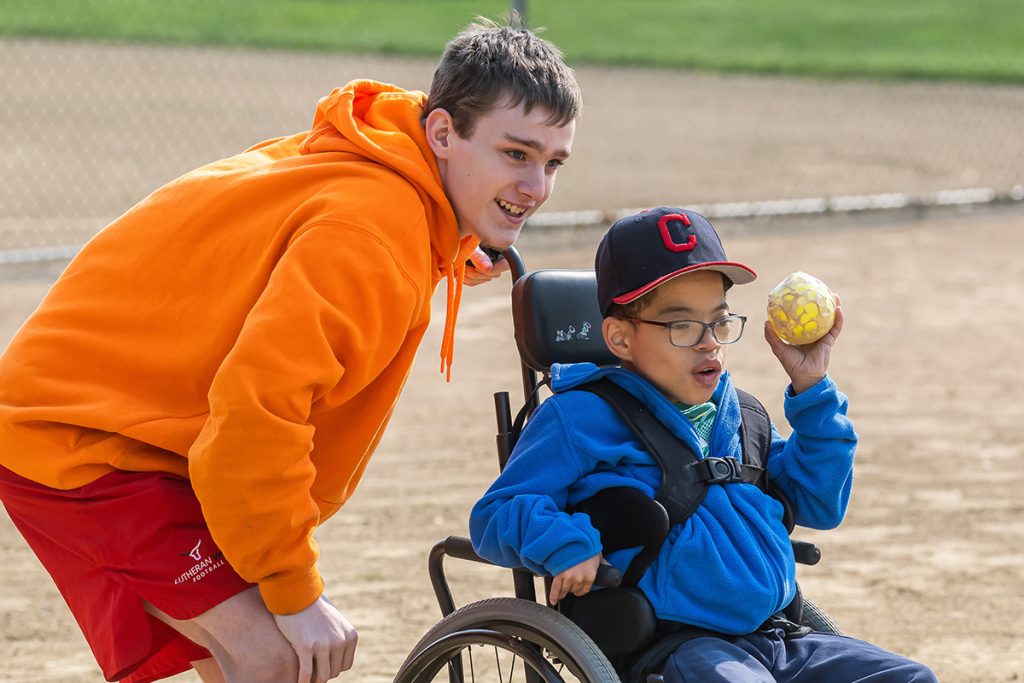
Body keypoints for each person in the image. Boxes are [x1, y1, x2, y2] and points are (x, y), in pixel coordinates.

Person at [0, 15, 579, 683]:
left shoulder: (390, 166)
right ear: (443, 132)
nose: (537, 188)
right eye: (516, 154)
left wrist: (451, 246)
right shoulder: (372, 235)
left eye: (553, 162)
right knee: (278, 652)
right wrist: (294, 590)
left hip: (131, 420)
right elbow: (257, 414)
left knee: (248, 652)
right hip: (78, 435)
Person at [470, 207, 937, 682]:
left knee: (911, 677)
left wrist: (812, 390)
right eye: (682, 326)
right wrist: (567, 544)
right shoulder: (580, 417)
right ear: (619, 337)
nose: (709, 343)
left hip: (777, 637)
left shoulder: (743, 414)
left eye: (719, 322)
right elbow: (496, 513)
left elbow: (819, 503)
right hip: (678, 647)